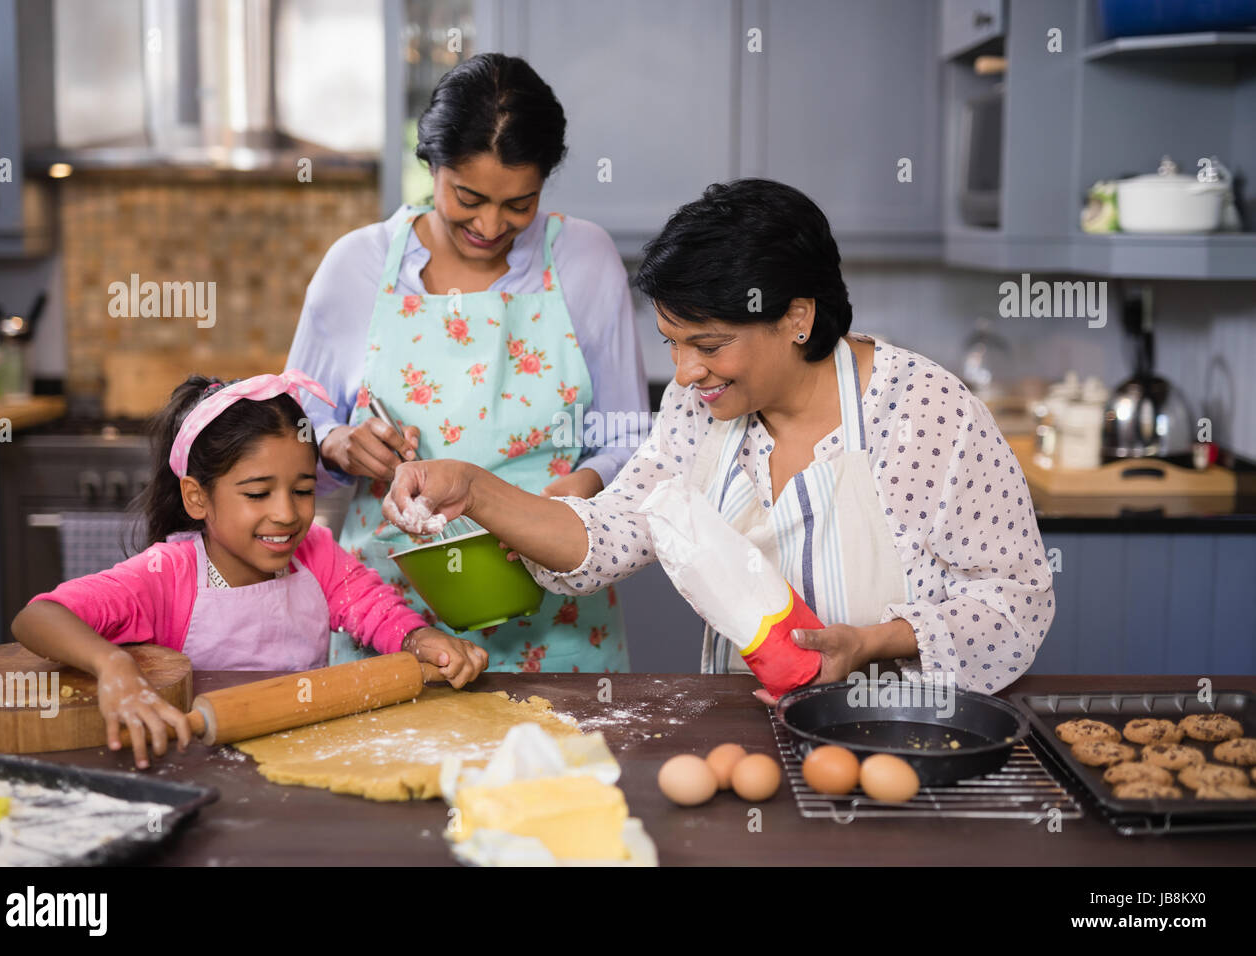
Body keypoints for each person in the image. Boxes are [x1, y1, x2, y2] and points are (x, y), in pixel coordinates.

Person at [381, 179, 1055, 697]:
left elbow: (1018, 601)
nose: (683, 373)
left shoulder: (925, 412)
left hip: (909, 737)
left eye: (707, 345)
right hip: (750, 721)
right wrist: (472, 487)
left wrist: (871, 643)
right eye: (671, 344)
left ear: (796, 318)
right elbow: (609, 536)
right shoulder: (697, 408)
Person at [287, 53, 647, 673]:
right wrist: (335, 445)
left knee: (561, 770)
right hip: (391, 619)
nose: (490, 224)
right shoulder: (356, 269)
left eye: (519, 204)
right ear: (430, 163)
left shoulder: (585, 261)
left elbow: (628, 439)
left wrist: (582, 489)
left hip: (557, 619)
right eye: (468, 197)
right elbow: (288, 444)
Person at [11, 371, 487, 769]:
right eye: (258, 494)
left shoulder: (315, 553)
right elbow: (38, 617)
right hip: (194, 762)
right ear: (197, 497)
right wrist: (113, 665)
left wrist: (419, 641)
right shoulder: (166, 574)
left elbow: (374, 609)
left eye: (302, 490)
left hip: (305, 758)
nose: (285, 513)